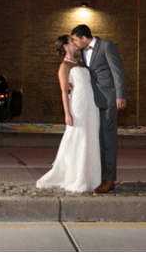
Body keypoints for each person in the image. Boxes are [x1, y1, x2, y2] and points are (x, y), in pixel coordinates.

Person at [35, 35, 101, 193]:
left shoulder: (81, 62)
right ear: (66, 46)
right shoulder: (64, 67)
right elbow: (64, 91)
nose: (75, 42)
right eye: (72, 41)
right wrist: (67, 114)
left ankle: (91, 177)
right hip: (77, 103)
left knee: (91, 135)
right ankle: (76, 177)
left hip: (91, 103)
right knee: (78, 136)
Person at [70, 24, 127, 194]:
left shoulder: (107, 46)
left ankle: (108, 180)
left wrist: (120, 95)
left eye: (74, 39)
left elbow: (118, 71)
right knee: (98, 139)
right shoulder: (83, 51)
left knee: (108, 140)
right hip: (93, 100)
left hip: (109, 99)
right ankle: (100, 176)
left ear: (83, 38)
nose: (74, 42)